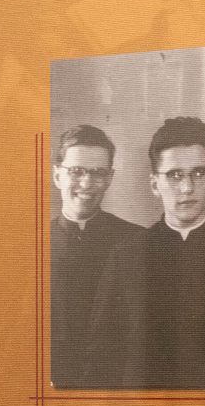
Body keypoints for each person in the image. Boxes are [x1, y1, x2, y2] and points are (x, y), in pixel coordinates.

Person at [84, 116, 205, 388]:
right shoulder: (126, 257)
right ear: (154, 184)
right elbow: (101, 356)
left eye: (199, 173)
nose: (187, 188)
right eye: (175, 175)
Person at [47, 126, 139, 388]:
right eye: (76, 171)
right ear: (57, 175)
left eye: (98, 173)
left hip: (118, 387)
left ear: (109, 178)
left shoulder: (136, 241)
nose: (87, 184)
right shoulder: (29, 244)